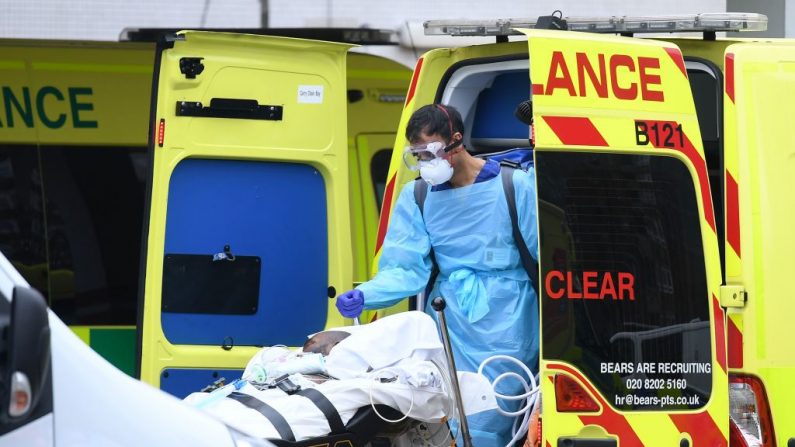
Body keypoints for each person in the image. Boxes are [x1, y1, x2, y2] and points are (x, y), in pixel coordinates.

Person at [335, 103, 539, 446]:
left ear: (455, 141)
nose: (426, 164)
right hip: (450, 322)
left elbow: (546, 256)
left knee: (495, 416)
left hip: (510, 322)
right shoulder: (417, 196)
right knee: (452, 417)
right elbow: (405, 268)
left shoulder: (513, 184)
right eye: (417, 156)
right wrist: (368, 294)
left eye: (429, 153)